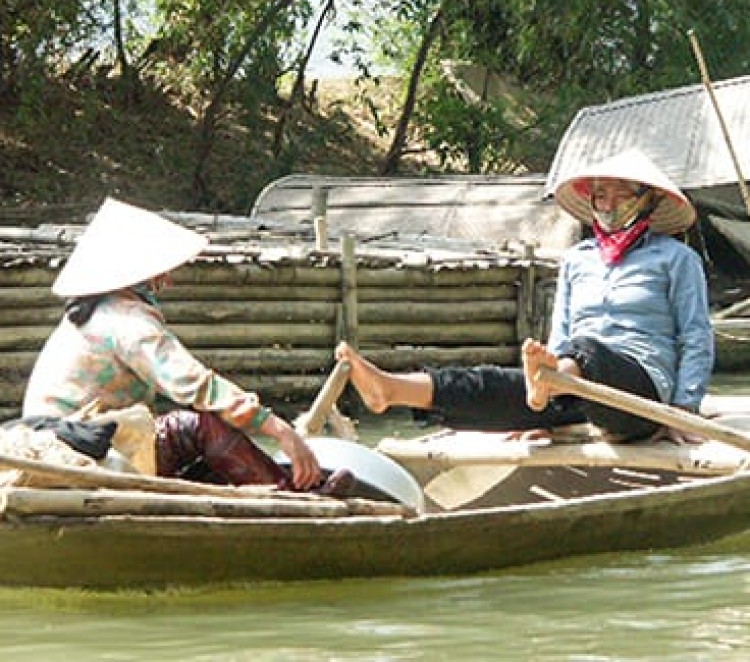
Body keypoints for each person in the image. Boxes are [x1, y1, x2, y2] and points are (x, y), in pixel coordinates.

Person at [335, 148, 715, 442]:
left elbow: (696, 337)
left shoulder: (676, 259)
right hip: (574, 386)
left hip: (641, 394)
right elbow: (559, 337)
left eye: (619, 194)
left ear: (646, 199)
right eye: (600, 195)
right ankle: (392, 389)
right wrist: (547, 408)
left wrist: (684, 408)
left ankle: (546, 389)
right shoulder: (577, 260)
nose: (608, 204)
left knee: (584, 351)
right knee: (495, 383)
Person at [22, 197, 352, 494]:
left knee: (192, 436)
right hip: (78, 446)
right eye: (160, 270)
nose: (167, 280)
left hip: (79, 438)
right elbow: (195, 385)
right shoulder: (125, 321)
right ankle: (291, 494)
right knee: (197, 425)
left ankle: (265, 486)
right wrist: (280, 430)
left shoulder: (93, 314)